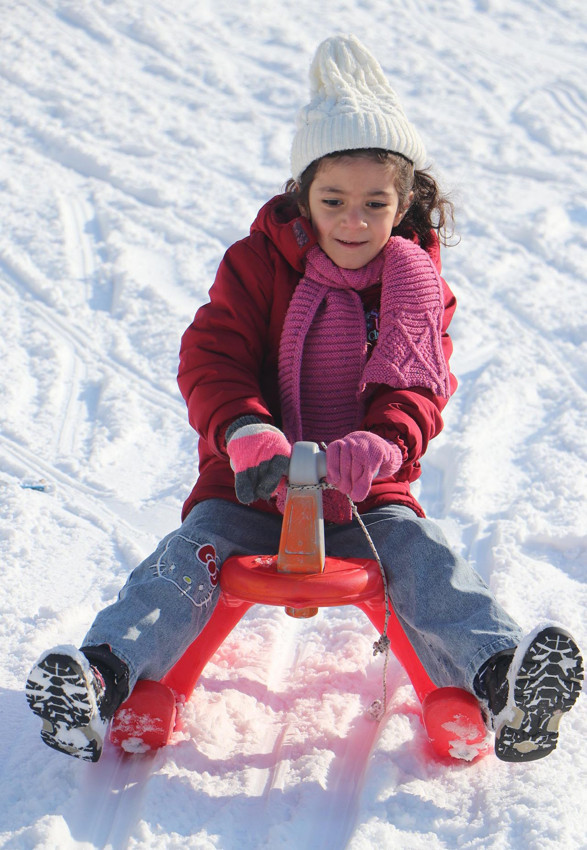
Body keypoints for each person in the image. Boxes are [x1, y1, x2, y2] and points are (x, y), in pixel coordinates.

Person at [26, 35, 583, 765]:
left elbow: (419, 385)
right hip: (249, 489)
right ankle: (101, 679)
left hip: (364, 496)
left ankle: (504, 681)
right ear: (302, 197)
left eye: (375, 203)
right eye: (334, 201)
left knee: (426, 564)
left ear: (404, 203)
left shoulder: (415, 285)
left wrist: (383, 441)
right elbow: (212, 356)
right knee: (184, 564)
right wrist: (244, 429)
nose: (354, 220)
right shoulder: (256, 264)